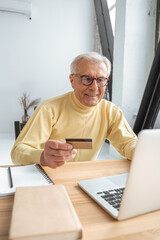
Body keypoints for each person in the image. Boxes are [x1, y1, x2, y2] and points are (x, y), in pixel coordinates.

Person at [11, 52, 137, 169]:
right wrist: (42, 157)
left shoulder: (111, 112)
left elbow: (128, 143)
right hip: (48, 179)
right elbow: (17, 152)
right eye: (87, 79)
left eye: (100, 80)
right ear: (72, 80)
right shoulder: (49, 109)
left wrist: (144, 151)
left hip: (85, 180)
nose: (94, 88)